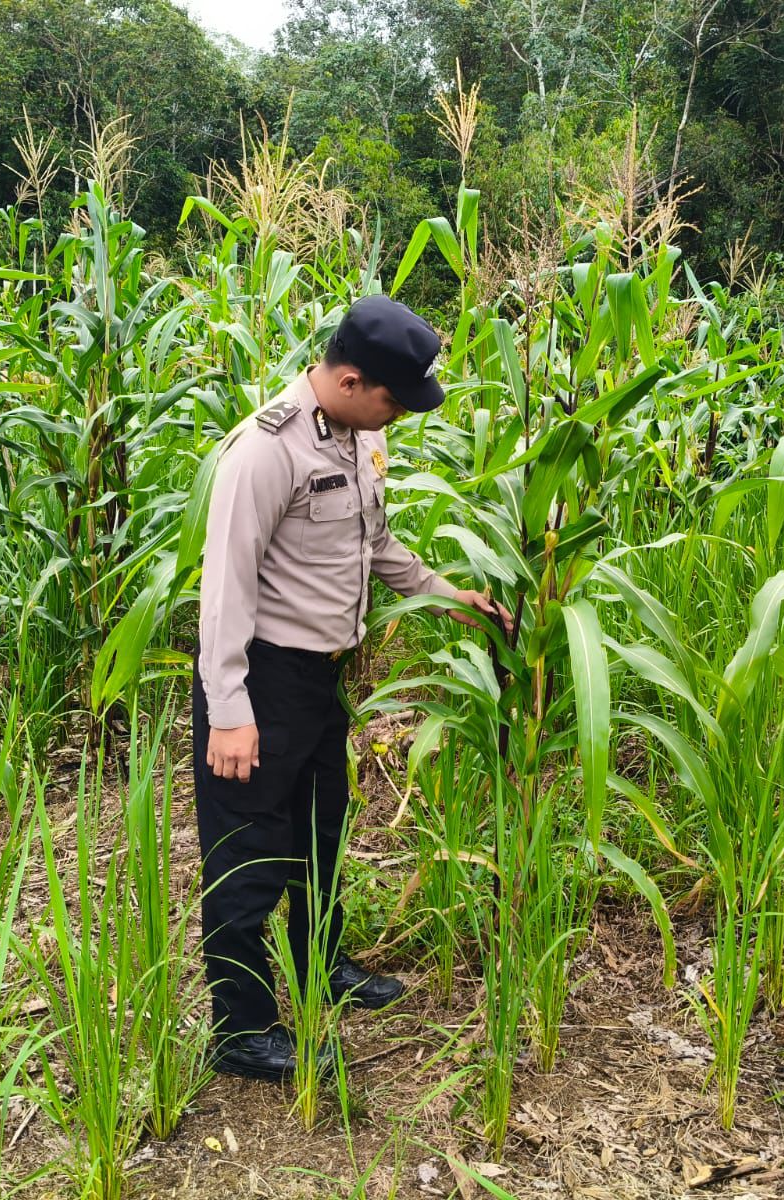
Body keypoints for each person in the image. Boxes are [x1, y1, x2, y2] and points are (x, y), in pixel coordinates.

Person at [193, 293, 513, 1081]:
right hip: (260, 679)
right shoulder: (265, 450)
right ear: (349, 378)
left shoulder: (356, 439)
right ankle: (241, 1031)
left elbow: (374, 544)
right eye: (394, 401)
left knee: (318, 836)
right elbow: (224, 589)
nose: (400, 415)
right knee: (247, 857)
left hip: (317, 678)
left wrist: (447, 593)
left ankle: (320, 967)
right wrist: (230, 711)